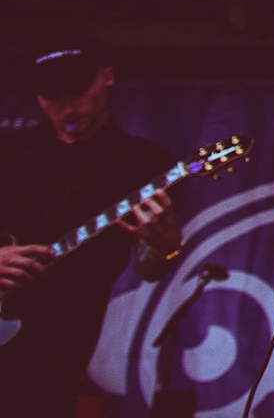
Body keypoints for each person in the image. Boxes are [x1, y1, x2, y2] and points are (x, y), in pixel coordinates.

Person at [0, 36, 182, 418]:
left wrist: (165, 246)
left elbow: (151, 267)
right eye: (52, 96)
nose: (68, 107)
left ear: (107, 77)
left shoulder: (143, 163)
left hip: (59, 351)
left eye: (79, 90)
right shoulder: (10, 153)